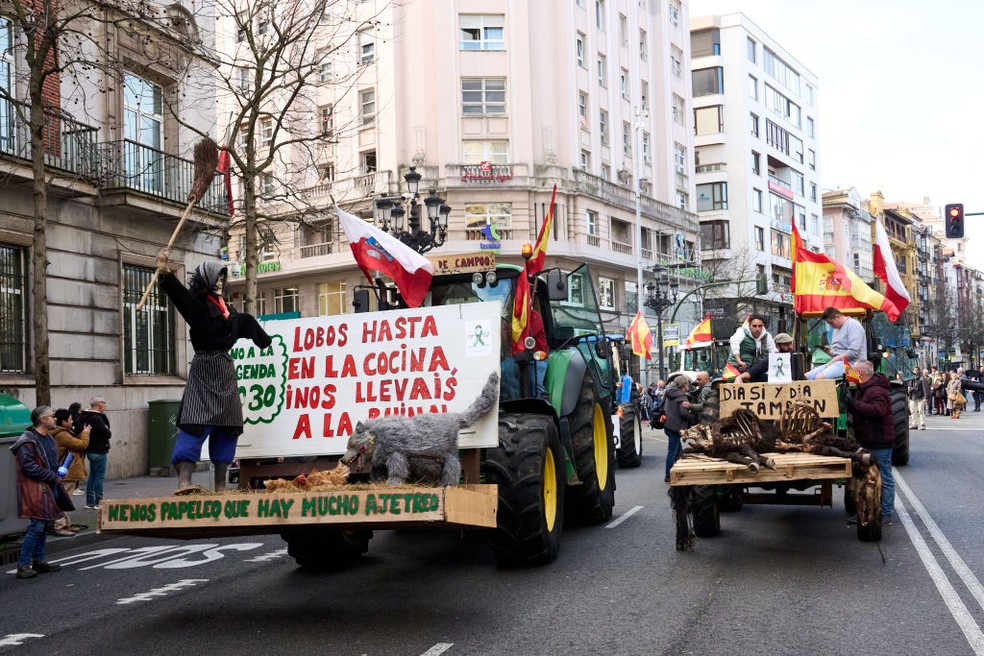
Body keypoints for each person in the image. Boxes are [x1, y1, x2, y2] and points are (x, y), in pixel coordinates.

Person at [157, 251, 273, 494]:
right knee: (194, 422)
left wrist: (263, 339)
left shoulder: (227, 312)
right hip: (204, 370)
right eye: (216, 279)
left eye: (223, 278)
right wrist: (166, 273)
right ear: (205, 281)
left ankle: (220, 486)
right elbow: (181, 298)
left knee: (228, 427)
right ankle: (184, 481)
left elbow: (245, 322)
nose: (220, 283)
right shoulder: (198, 307)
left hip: (225, 373)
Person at [9, 406, 66, 579]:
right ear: (43, 420)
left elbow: (50, 462)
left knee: (43, 524)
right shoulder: (28, 441)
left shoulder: (48, 438)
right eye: (52, 416)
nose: (55, 418)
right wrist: (52, 475)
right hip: (34, 488)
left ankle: (39, 561)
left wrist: (59, 471)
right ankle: (23, 565)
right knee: (37, 526)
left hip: (48, 486)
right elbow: (28, 467)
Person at [845, 361, 894, 525]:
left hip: (879, 441)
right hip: (867, 440)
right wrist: (851, 405)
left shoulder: (876, 390)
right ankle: (863, 511)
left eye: (854, 372)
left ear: (861, 373)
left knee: (884, 478)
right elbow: (861, 411)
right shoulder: (864, 389)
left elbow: (878, 410)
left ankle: (886, 513)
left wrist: (855, 404)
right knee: (863, 478)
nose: (851, 374)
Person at [50, 408, 90, 535]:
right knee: (63, 500)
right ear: (64, 421)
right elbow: (81, 444)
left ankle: (66, 524)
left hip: (68, 471)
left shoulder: (64, 432)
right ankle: (59, 526)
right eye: (70, 419)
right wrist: (86, 433)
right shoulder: (62, 434)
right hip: (66, 471)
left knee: (66, 499)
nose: (72, 421)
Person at [805, 307, 866, 380]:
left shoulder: (853, 325)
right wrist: (829, 353)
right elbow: (839, 355)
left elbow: (853, 352)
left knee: (819, 377)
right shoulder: (836, 330)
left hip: (854, 366)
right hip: (839, 363)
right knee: (807, 376)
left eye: (831, 322)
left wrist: (833, 360)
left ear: (837, 316)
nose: (831, 325)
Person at [80, 396, 111, 509]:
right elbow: (107, 433)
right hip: (99, 450)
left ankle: (90, 501)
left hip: (90, 449)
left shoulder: (86, 416)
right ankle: (99, 502)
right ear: (98, 404)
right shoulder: (96, 418)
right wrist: (106, 427)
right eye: (104, 402)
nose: (105, 404)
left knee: (93, 475)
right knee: (99, 477)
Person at [662, 375, 692, 483]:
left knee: (678, 450)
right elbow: (683, 412)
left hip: (668, 425)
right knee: (673, 451)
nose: (688, 386)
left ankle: (680, 471)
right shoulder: (682, 397)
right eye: (687, 384)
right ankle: (668, 476)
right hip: (676, 427)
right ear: (684, 385)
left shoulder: (669, 393)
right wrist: (692, 417)